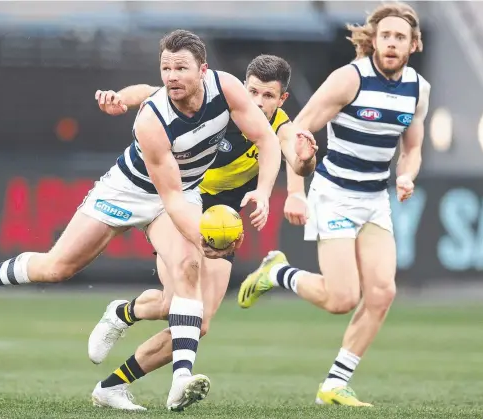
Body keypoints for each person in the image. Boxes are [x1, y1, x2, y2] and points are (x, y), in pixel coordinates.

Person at [0, 29, 285, 411]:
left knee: (187, 266)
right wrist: (204, 237)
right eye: (165, 67)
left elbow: (267, 140)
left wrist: (263, 192)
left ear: (203, 70)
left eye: (180, 67)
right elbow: (168, 195)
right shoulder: (152, 121)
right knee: (57, 267)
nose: (171, 76)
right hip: (128, 190)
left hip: (182, 196)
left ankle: (181, 378)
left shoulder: (226, 89)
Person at [87, 55, 318, 410]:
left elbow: (294, 155)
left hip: (222, 226)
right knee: (175, 304)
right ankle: (122, 315)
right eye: (252, 91)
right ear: (243, 87)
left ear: (282, 100)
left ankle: (111, 383)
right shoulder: (220, 107)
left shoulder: (280, 127)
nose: (258, 102)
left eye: (268, 96)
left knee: (198, 323)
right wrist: (120, 97)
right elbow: (149, 93)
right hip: (181, 211)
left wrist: (304, 162)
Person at [237, 2, 431, 407]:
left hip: (375, 199)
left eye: (400, 37)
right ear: (373, 40)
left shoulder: (418, 89)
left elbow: (412, 149)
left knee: (382, 293)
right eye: (386, 35)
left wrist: (407, 174)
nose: (392, 43)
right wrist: (295, 191)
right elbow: (298, 130)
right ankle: (278, 273)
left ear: (414, 44)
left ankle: (334, 384)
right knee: (342, 300)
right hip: (335, 193)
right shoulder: (349, 79)